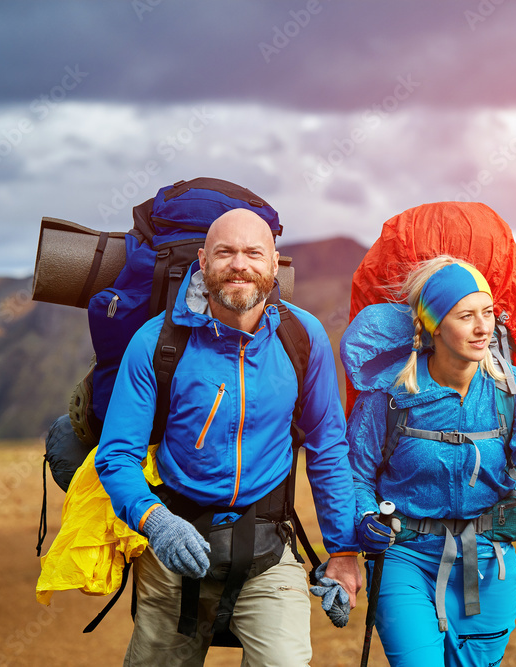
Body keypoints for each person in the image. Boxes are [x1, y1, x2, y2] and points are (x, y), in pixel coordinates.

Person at [95, 208, 362, 666]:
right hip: (170, 554)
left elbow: (327, 446)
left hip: (270, 551)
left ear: (275, 264)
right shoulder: (156, 343)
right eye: (225, 252)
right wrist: (155, 523)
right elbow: (117, 454)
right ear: (203, 261)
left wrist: (342, 550)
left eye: (253, 253)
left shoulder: (303, 338)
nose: (240, 264)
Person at [344, 256, 516, 666]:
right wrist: (365, 517)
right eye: (466, 316)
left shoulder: (515, 391)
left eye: (487, 313)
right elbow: (356, 475)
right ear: (433, 326)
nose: (483, 328)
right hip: (404, 557)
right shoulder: (389, 396)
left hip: (488, 562)